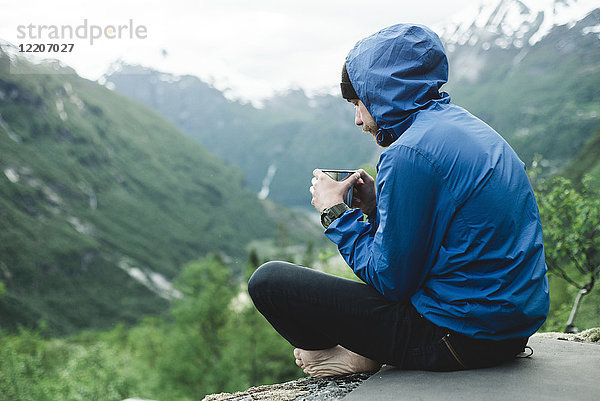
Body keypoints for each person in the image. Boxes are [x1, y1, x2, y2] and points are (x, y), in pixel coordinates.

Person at [248, 23, 549, 377]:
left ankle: (346, 355)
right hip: (505, 330)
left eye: (358, 104)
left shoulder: (408, 153)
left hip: (456, 338)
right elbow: (441, 243)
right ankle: (369, 349)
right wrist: (376, 207)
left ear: (382, 94)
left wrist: (334, 213)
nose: (359, 120)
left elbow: (391, 279)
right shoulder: (466, 127)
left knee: (269, 282)